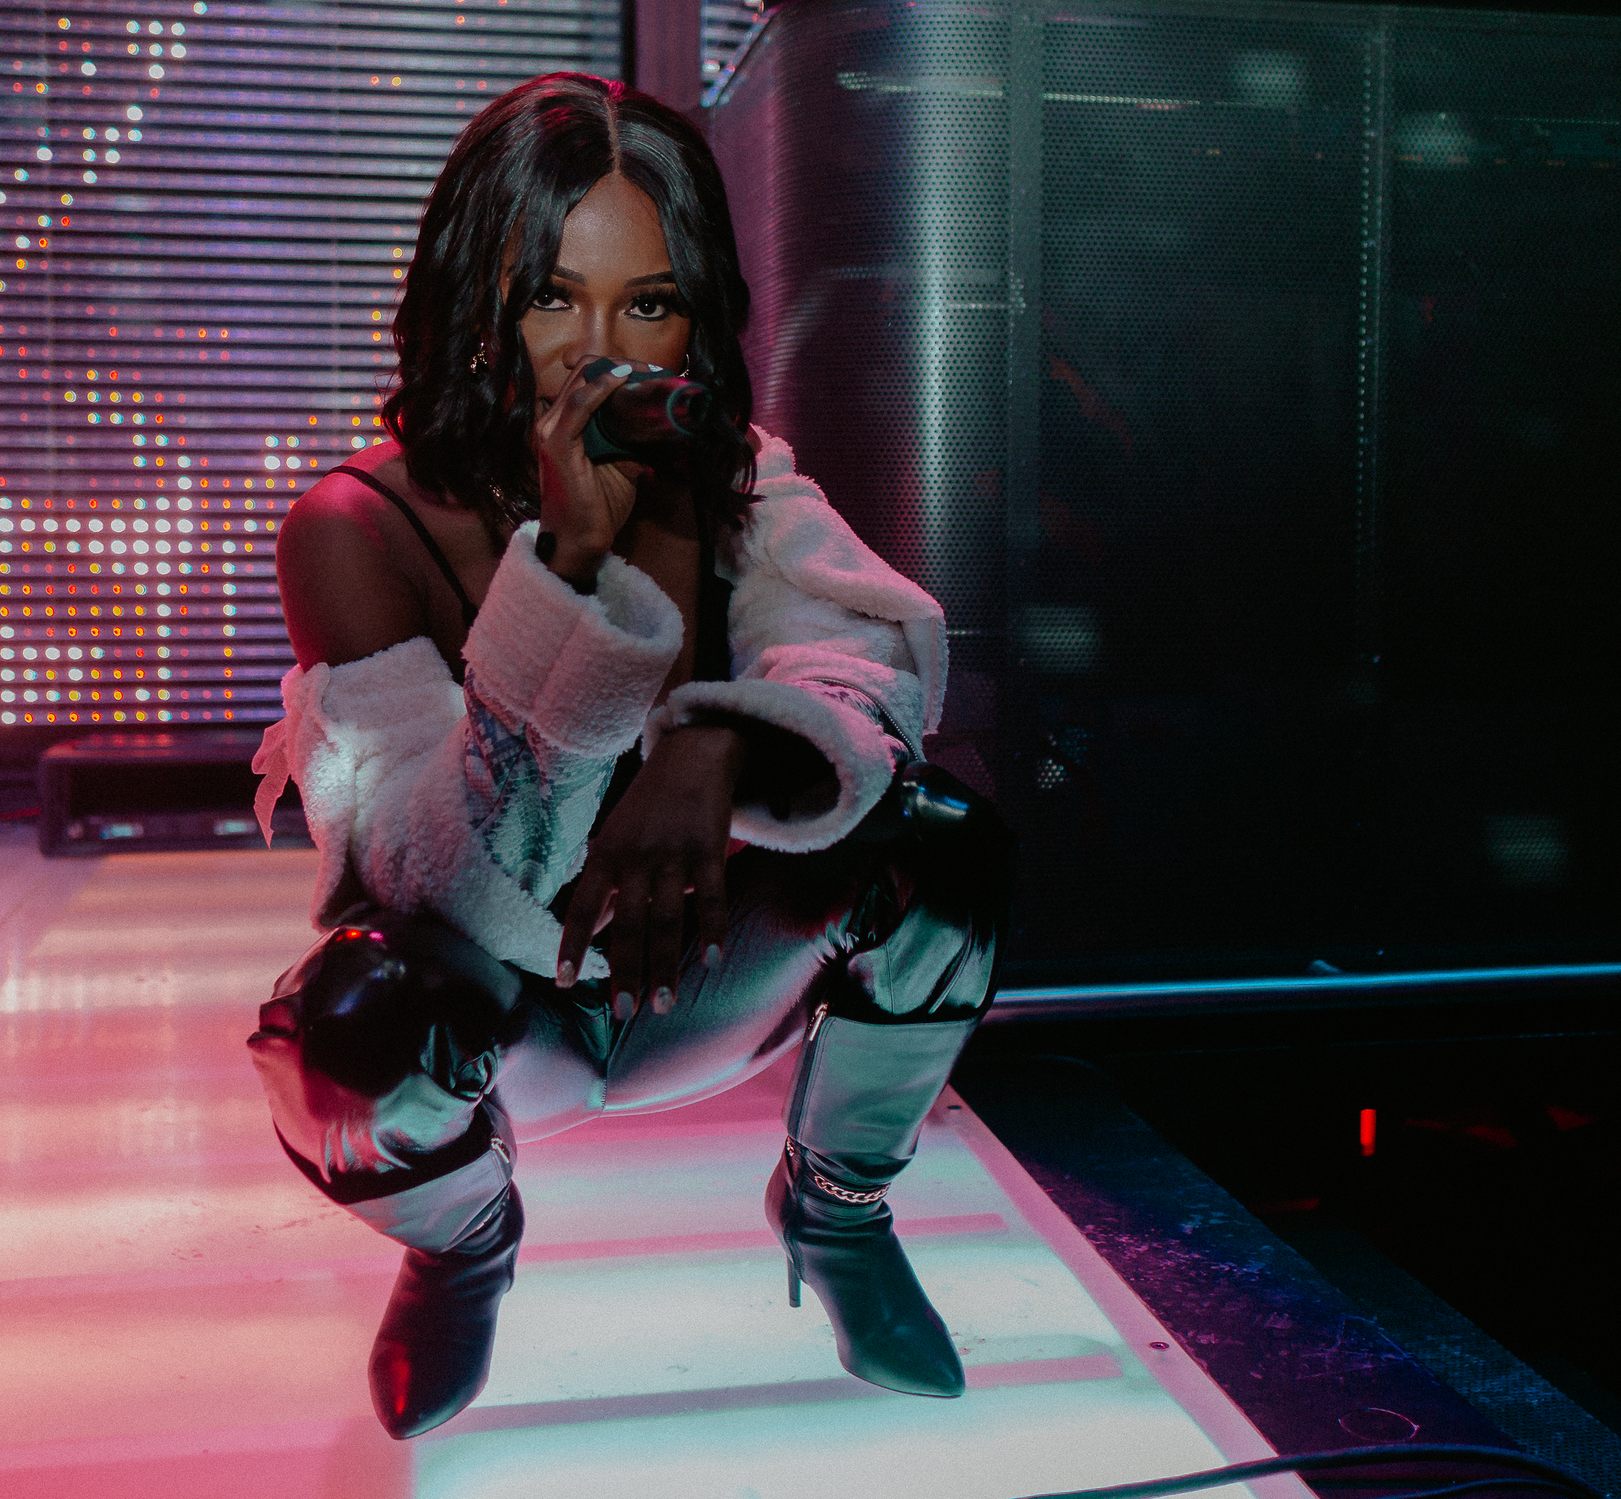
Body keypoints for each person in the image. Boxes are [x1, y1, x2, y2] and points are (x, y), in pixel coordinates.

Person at [246, 71, 1011, 1442]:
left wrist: (712, 748)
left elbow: (867, 663)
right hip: (504, 1016)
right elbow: (438, 882)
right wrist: (575, 572)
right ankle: (464, 1241)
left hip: (692, 966)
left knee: (943, 840)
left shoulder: (737, 467)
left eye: (646, 303)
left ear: (698, 312)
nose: (601, 353)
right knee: (346, 1029)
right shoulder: (349, 529)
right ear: (476, 296)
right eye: (553, 296)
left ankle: (837, 1213)